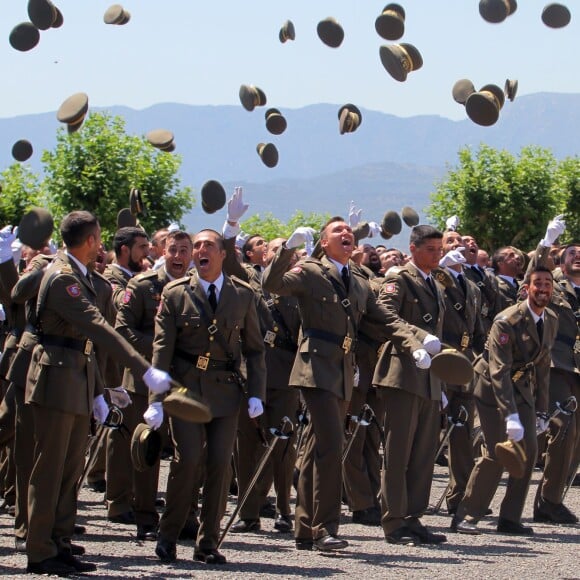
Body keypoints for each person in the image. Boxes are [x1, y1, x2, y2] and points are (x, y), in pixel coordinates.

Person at [262, 217, 427, 552]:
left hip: (342, 370)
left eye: (349, 231)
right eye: (338, 231)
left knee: (315, 448)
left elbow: (384, 318)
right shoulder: (309, 271)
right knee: (332, 447)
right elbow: (272, 284)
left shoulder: (358, 281)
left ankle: (305, 528)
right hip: (315, 367)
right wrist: (287, 249)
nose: (347, 234)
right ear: (324, 243)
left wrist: (416, 343)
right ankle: (325, 529)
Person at [24, 211, 172, 576]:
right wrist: (143, 368)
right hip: (56, 379)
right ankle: (40, 549)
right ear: (89, 240)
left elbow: (88, 342)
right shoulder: (63, 278)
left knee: (69, 469)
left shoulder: (79, 274)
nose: (102, 245)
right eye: (99, 238)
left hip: (74, 378)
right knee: (50, 470)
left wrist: (99, 392)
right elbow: (97, 327)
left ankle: (58, 543)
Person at [148, 229, 266, 565]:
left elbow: (255, 349)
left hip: (226, 392)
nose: (201, 251)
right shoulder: (175, 293)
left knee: (219, 466)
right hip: (186, 390)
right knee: (187, 463)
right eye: (197, 246)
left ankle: (207, 543)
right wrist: (155, 400)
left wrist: (256, 392)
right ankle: (168, 535)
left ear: (222, 254)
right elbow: (162, 350)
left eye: (208, 246)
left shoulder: (242, 294)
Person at [452, 266, 558, 535]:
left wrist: (542, 412)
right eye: (538, 284)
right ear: (526, 289)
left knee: (529, 450)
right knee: (497, 450)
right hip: (491, 387)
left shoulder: (552, 319)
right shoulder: (507, 320)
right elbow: (498, 370)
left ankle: (510, 518)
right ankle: (467, 515)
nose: (543, 288)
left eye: (548, 284)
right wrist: (510, 416)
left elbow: (544, 367)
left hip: (521, 387)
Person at [111, 230, 194, 540]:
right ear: (163, 250)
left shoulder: (196, 289)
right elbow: (123, 329)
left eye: (184, 251)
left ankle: (184, 515)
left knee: (188, 452)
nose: (178, 256)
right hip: (145, 381)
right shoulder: (143, 285)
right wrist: (161, 349)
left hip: (183, 383)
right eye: (173, 250)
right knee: (148, 448)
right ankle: (145, 517)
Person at [373, 225, 448, 546]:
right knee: (398, 451)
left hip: (429, 377)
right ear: (413, 248)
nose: (437, 254)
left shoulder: (436, 283)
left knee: (422, 452)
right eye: (431, 249)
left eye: (439, 248)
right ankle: (393, 521)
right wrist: (418, 339)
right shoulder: (399, 278)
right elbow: (385, 314)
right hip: (402, 372)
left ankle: (413, 516)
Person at [527, 216, 579, 524]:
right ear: (560, 259)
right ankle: (546, 500)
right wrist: (546, 243)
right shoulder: (553, 285)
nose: (578, 256)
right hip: (555, 365)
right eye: (572, 252)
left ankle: (552, 500)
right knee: (564, 429)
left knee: (576, 440)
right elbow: (535, 271)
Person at [438, 231, 486, 514]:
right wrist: (440, 268)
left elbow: (478, 329)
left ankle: (460, 497)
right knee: (428, 433)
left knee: (463, 431)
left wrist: (479, 358)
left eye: (461, 243)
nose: (458, 247)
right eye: (450, 243)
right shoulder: (435, 280)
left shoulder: (473, 286)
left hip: (466, 362)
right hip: (442, 360)